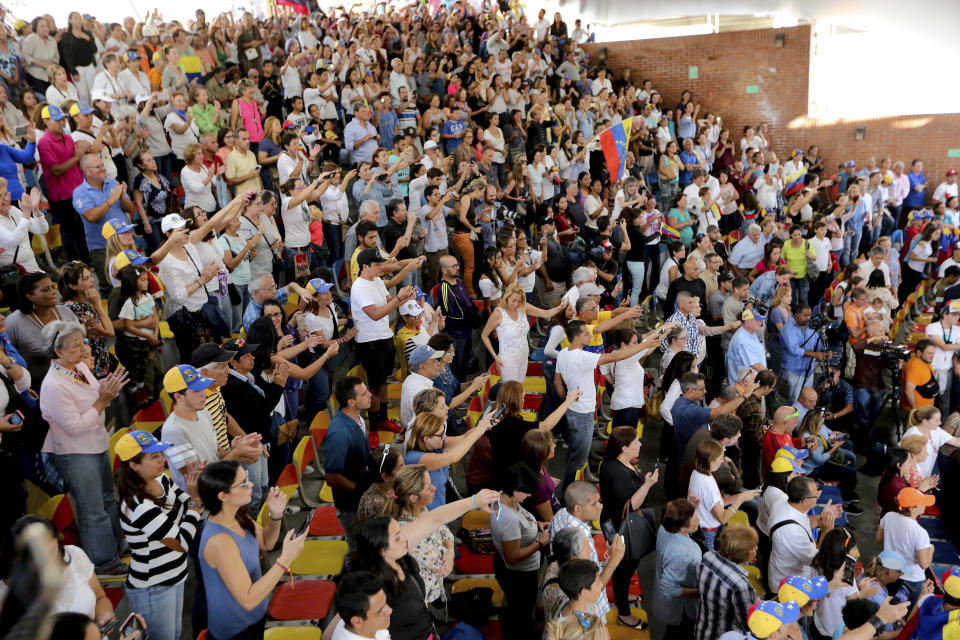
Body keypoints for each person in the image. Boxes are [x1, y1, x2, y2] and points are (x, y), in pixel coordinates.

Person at [38, 320, 128, 574]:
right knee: (92, 508)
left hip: (96, 443)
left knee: (108, 499)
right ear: (58, 351)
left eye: (82, 343)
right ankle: (102, 561)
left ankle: (115, 545)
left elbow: (95, 394)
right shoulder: (53, 386)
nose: (82, 350)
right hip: (75, 452)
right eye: (76, 346)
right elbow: (74, 426)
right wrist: (103, 400)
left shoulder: (78, 367)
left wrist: (107, 388)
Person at [349, 491, 500, 640]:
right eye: (397, 538)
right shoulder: (369, 591)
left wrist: (474, 501)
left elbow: (434, 519)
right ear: (382, 550)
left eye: (401, 531)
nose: (405, 539)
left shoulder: (400, 555)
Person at [197, 460, 307, 640]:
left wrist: (276, 515)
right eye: (243, 483)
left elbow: (266, 542)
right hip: (236, 630)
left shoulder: (238, 514)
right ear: (223, 496)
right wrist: (285, 560)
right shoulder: (220, 542)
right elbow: (247, 600)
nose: (251, 485)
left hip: (255, 617)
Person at [557, 320, 670, 487]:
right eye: (586, 333)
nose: (591, 335)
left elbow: (557, 383)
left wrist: (566, 402)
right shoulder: (583, 356)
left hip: (573, 410)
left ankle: (574, 488)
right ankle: (571, 494)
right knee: (579, 458)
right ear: (576, 337)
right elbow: (616, 356)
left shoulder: (564, 353)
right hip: (584, 412)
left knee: (576, 453)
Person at [114, 430, 203, 640]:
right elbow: (180, 542)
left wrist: (198, 484)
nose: (163, 460)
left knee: (176, 634)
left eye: (161, 454)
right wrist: (196, 502)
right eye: (154, 457)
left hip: (175, 575)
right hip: (153, 586)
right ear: (133, 465)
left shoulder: (162, 479)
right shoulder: (137, 505)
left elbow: (185, 502)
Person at [597, 426, 657, 630]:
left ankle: (622, 595)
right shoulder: (617, 472)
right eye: (636, 442)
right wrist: (647, 485)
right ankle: (623, 612)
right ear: (624, 448)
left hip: (620, 523)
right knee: (623, 567)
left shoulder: (618, 463)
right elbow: (629, 506)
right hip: (621, 527)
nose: (641, 445)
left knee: (628, 566)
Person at [352, 248, 415, 431]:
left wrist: (405, 298)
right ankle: (373, 429)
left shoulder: (377, 280)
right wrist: (398, 299)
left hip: (385, 336)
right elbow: (375, 314)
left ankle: (383, 419)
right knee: (375, 388)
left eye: (381, 264)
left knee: (383, 382)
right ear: (365, 266)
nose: (381, 268)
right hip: (370, 342)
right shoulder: (359, 287)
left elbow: (390, 302)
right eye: (377, 265)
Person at [489, 463, 548, 640]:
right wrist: (540, 542)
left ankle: (529, 612)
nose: (529, 495)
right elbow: (513, 557)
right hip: (519, 574)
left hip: (510, 569)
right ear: (513, 489)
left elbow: (519, 522)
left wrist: (536, 524)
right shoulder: (508, 520)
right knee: (521, 614)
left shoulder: (502, 497)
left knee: (523, 604)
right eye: (526, 492)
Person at [404, 410, 495, 510]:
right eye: (441, 434)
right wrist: (479, 431)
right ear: (426, 439)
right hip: (430, 514)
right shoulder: (414, 458)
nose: (444, 437)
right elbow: (451, 457)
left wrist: (484, 424)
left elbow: (463, 437)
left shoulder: (435, 444)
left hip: (442, 507)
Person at [392, 465, 455, 608]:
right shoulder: (407, 533)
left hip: (433, 585)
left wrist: (449, 553)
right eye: (428, 487)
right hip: (422, 595)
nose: (434, 488)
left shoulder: (419, 509)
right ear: (414, 497)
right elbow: (442, 566)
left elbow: (445, 531)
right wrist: (448, 554)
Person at [767, 476, 843, 593]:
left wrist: (820, 518)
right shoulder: (792, 532)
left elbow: (802, 520)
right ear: (804, 501)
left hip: (788, 574)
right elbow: (817, 560)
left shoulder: (784, 502)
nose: (818, 495)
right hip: (788, 588)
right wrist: (826, 531)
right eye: (815, 495)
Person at [323, 376, 373, 549]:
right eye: (364, 394)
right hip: (352, 505)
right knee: (359, 548)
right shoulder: (339, 435)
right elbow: (331, 477)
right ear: (351, 402)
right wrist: (360, 491)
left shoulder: (358, 418)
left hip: (362, 496)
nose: (370, 395)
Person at [6, 273, 80, 386]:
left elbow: (82, 343)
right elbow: (6, 355)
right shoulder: (14, 322)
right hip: (40, 387)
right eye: (45, 290)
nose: (53, 292)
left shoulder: (66, 312)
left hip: (75, 380)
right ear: (29, 296)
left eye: (52, 287)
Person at [480, 283, 565, 382]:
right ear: (507, 298)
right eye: (513, 301)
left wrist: (560, 307)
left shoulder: (524, 307)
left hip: (524, 356)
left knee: (520, 388)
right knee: (511, 392)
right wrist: (495, 357)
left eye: (519, 301)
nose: (516, 304)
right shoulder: (498, 313)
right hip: (508, 359)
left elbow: (545, 313)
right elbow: (484, 335)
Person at [688, 439, 761, 550]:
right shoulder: (708, 485)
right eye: (720, 458)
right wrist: (740, 499)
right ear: (710, 460)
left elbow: (718, 502)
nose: (722, 461)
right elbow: (722, 518)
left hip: (701, 528)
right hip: (707, 533)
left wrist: (741, 495)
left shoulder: (696, 473)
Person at [695, 523, 760, 640]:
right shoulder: (741, 586)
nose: (757, 548)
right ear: (742, 553)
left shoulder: (708, 556)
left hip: (703, 630)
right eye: (753, 546)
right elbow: (752, 625)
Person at [876, 487, 934, 605]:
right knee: (902, 614)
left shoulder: (888, 516)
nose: (924, 505)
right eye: (921, 502)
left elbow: (878, 539)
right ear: (912, 508)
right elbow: (924, 564)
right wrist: (931, 551)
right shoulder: (920, 532)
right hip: (910, 581)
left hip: (888, 573)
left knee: (887, 605)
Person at [653, 498, 703, 635]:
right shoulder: (679, 553)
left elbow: (684, 530)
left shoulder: (666, 527)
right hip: (681, 610)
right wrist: (699, 592)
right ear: (682, 526)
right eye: (694, 517)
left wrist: (693, 508)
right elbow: (668, 587)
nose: (698, 519)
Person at [58, 262, 114, 379]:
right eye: (86, 278)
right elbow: (109, 331)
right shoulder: (79, 309)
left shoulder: (70, 305)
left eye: (90, 276)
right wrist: (97, 303)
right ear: (72, 286)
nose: (92, 280)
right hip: (94, 366)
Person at [543, 559, 609, 640]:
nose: (601, 584)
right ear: (584, 592)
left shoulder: (561, 602)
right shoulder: (585, 632)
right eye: (597, 582)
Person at [780, 303, 829, 403]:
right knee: (795, 401)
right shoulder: (787, 329)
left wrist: (825, 352)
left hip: (809, 372)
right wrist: (815, 355)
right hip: (794, 373)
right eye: (805, 315)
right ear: (797, 315)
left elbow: (818, 345)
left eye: (809, 315)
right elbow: (793, 349)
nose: (808, 318)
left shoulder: (811, 329)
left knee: (806, 401)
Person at [328, 571, 393, 640]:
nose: (390, 610)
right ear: (357, 621)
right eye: (380, 611)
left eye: (385, 603)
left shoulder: (351, 611)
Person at [902, 405, 960, 478]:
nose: (940, 423)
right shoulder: (912, 434)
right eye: (936, 420)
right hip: (914, 477)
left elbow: (956, 441)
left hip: (926, 476)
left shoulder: (936, 431)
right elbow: (904, 460)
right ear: (925, 421)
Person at [725, 309, 768, 385]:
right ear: (747, 322)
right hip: (743, 388)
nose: (761, 323)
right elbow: (755, 365)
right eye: (757, 320)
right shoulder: (742, 339)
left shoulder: (750, 333)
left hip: (750, 384)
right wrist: (768, 376)